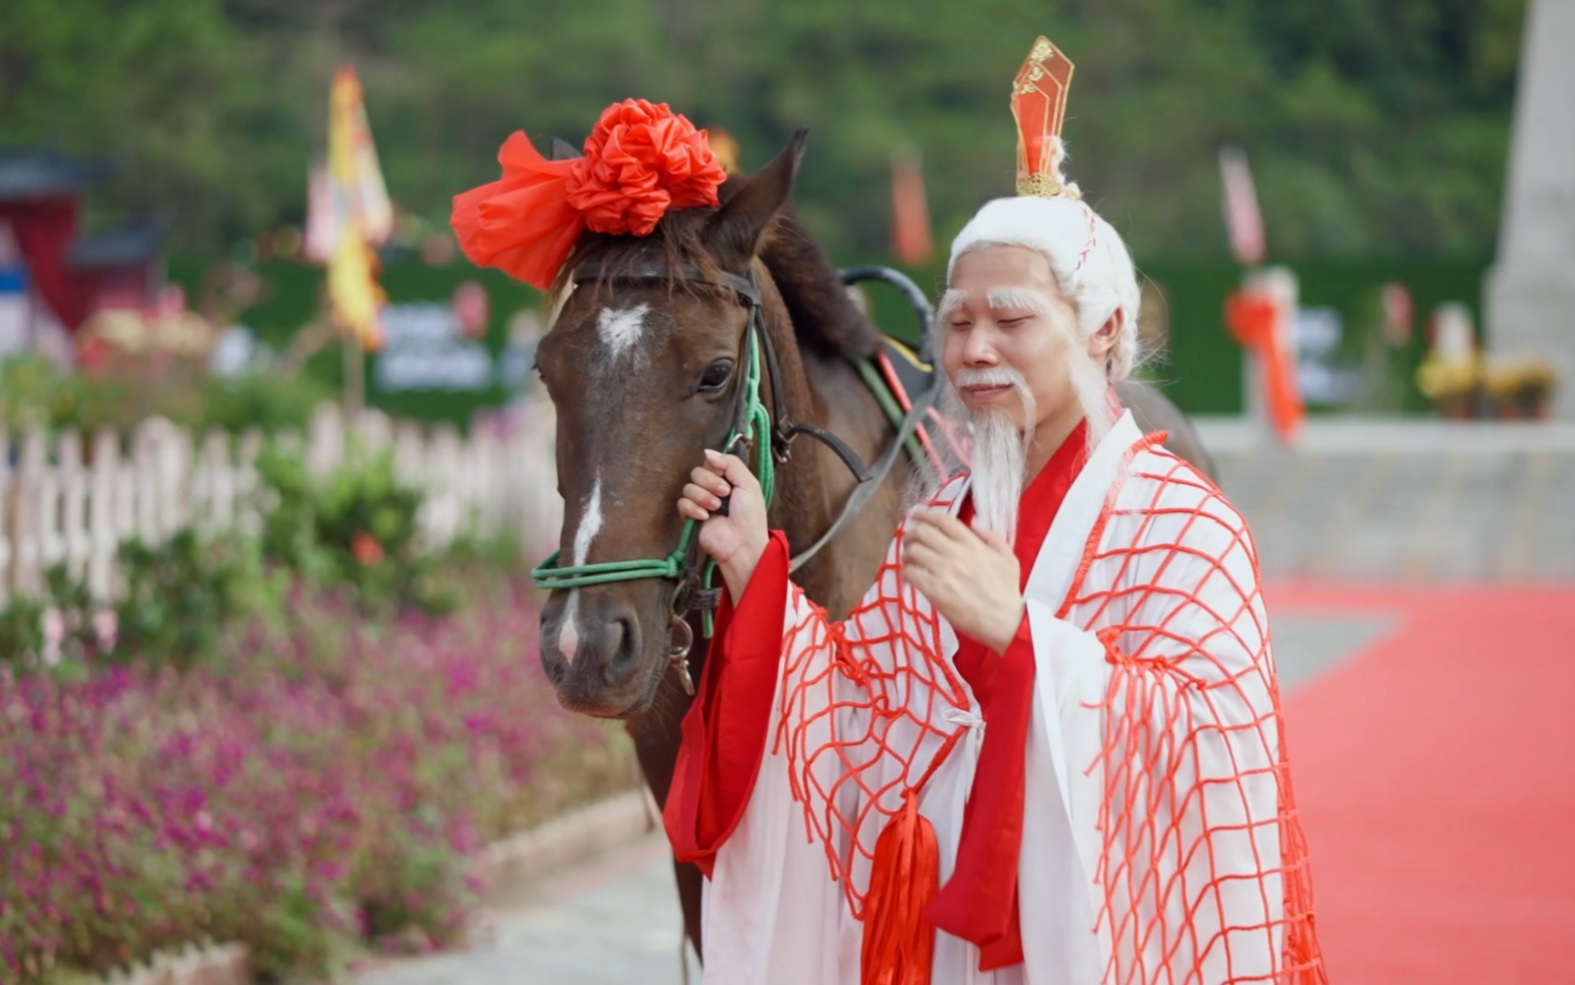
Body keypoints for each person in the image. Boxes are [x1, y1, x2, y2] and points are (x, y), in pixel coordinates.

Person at [663, 36, 1326, 985]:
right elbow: (861, 717)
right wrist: (752, 569)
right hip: (949, 942)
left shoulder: (1186, 526)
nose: (973, 347)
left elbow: (1215, 754)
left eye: (1010, 320)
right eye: (956, 319)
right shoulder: (951, 511)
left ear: (1102, 329)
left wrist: (1023, 638)